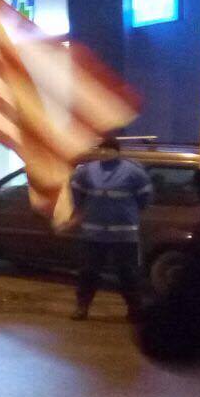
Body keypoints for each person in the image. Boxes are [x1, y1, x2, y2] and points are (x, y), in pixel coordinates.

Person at [70, 135, 152, 321]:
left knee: (128, 273)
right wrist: (82, 209)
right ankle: (82, 307)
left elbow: (144, 197)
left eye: (108, 149)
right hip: (94, 233)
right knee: (88, 272)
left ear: (117, 151)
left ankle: (134, 310)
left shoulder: (133, 172)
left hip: (124, 234)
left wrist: (130, 212)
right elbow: (76, 190)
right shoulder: (88, 171)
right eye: (102, 149)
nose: (104, 153)